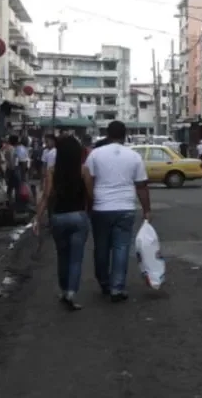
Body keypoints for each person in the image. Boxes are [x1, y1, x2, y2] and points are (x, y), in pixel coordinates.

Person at [85, 121, 152, 302]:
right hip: (125, 208)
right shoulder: (134, 156)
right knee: (121, 248)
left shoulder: (95, 154)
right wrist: (147, 210)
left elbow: (88, 181)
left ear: (107, 134)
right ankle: (117, 288)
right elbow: (142, 186)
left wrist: (90, 202)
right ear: (125, 134)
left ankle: (104, 282)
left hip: (100, 207)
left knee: (101, 247)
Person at [33, 135, 93, 310]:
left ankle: (64, 289)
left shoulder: (52, 170)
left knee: (62, 256)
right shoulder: (83, 170)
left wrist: (38, 218)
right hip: (78, 217)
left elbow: (46, 195)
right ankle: (71, 293)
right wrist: (90, 211)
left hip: (58, 217)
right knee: (76, 259)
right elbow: (91, 195)